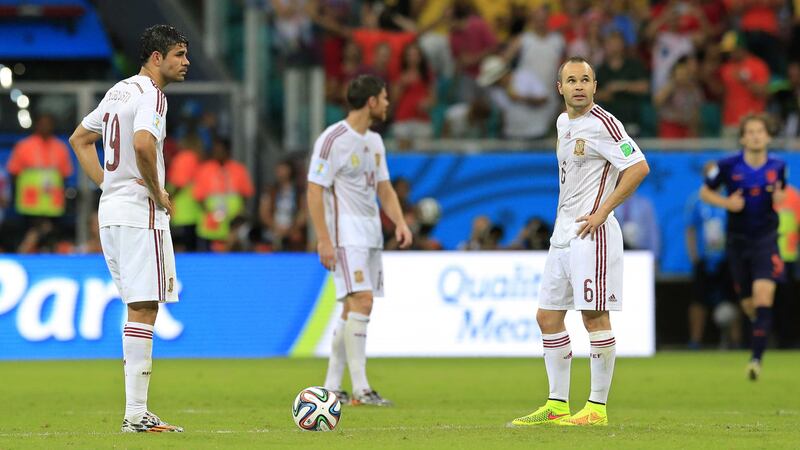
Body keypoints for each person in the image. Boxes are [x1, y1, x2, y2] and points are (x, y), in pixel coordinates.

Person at [511, 56, 649, 427]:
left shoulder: (605, 123)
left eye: (585, 80)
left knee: (593, 316)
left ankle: (596, 408)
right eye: (571, 80)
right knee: (548, 317)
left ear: (595, 86)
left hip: (592, 232)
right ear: (560, 88)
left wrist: (603, 211)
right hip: (563, 233)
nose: (578, 86)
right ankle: (557, 404)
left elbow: (638, 167)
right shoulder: (562, 122)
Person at [68, 24, 189, 432]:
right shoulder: (153, 96)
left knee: (136, 306)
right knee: (144, 307)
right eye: (179, 54)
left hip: (111, 212)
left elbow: (80, 139)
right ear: (157, 58)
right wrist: (158, 192)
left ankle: (137, 412)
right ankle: (136, 414)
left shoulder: (119, 90)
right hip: (139, 213)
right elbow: (141, 144)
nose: (185, 62)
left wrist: (107, 182)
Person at [307, 74, 413, 406]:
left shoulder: (375, 142)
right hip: (344, 233)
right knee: (362, 301)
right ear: (370, 102)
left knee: (350, 309)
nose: (386, 104)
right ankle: (362, 389)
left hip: (370, 234)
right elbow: (314, 189)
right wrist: (323, 239)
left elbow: (383, 187)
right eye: (383, 98)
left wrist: (400, 222)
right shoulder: (333, 139)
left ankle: (332, 386)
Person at [700, 113, 786, 380]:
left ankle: (755, 360)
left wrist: (780, 197)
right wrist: (727, 203)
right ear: (742, 137)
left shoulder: (778, 166)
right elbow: (705, 191)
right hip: (737, 243)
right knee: (750, 305)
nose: (756, 136)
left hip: (765, 240)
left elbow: (780, 191)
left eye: (760, 131)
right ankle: (759, 327)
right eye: (750, 132)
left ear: (768, 136)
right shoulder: (727, 166)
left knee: (763, 297)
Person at [686, 162, 740, 350]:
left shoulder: (729, 199)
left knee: (733, 299)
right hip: (704, 259)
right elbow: (690, 230)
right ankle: (695, 340)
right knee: (698, 301)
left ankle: (735, 340)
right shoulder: (697, 200)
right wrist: (694, 257)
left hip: (727, 259)